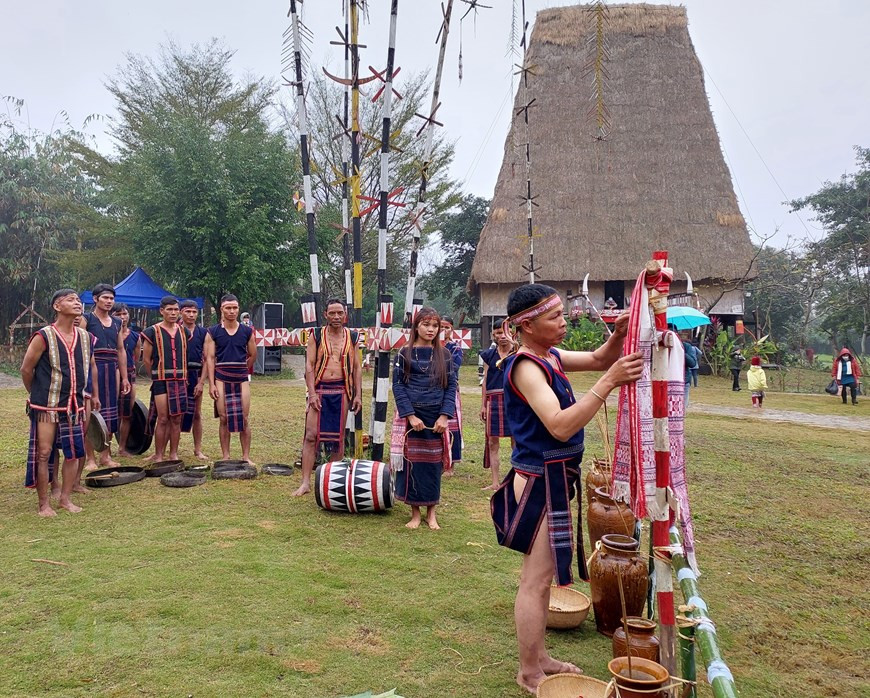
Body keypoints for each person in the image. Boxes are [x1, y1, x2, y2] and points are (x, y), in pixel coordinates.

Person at [488, 284, 642, 694]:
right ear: (527, 326)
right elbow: (559, 425)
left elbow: (596, 359)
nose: (563, 323)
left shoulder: (549, 356)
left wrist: (617, 336)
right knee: (536, 581)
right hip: (539, 481)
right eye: (554, 317)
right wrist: (608, 382)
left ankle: (540, 658)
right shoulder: (525, 367)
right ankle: (529, 671)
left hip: (554, 478)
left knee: (540, 580)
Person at [20, 289, 100, 516]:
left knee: (73, 452)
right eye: (71, 300)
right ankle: (43, 504)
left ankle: (65, 498)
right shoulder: (43, 336)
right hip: (46, 406)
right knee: (44, 453)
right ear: (57, 306)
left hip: (74, 405)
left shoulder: (86, 337)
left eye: (78, 300)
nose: (77, 303)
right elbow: (26, 369)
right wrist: (38, 394)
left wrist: (90, 396)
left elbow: (88, 367)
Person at [390, 307, 457, 530]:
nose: (431, 329)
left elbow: (451, 386)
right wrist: (409, 415)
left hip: (436, 418)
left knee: (433, 465)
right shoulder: (404, 353)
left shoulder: (445, 354)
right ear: (416, 326)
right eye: (426, 325)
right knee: (413, 464)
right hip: (412, 418)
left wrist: (444, 416)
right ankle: (415, 514)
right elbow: (398, 386)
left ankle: (432, 514)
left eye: (435, 326)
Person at [294, 299, 362, 497]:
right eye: (332, 313)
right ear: (325, 314)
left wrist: (358, 394)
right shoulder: (316, 335)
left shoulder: (353, 336)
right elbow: (309, 365)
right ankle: (305, 482)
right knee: (310, 436)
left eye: (340, 313)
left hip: (342, 391)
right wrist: (312, 393)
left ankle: (330, 484)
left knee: (337, 440)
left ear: (345, 314)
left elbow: (357, 367)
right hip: (320, 390)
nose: (336, 317)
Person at [79, 284, 130, 468]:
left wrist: (124, 377)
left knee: (110, 414)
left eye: (111, 298)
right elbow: (81, 348)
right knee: (90, 413)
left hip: (112, 369)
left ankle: (105, 456)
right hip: (92, 369)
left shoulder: (117, 322)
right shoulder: (86, 319)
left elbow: (121, 350)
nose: (109, 302)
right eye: (105, 298)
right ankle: (90, 458)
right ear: (95, 299)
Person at [204, 294, 257, 463]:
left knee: (245, 418)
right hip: (221, 377)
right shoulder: (212, 332)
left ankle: (246, 456)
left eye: (235, 307)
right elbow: (210, 359)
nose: (232, 311)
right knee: (224, 417)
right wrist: (211, 384)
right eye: (228, 308)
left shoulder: (247, 331)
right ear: (222, 309)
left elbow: (253, 355)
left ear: (238, 309)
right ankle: (226, 456)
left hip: (241, 377)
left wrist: (242, 368)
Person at [141, 297, 188, 462]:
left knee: (177, 418)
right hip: (161, 380)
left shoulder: (184, 331)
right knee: (162, 418)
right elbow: (146, 360)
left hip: (180, 379)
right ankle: (159, 454)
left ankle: (173, 453)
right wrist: (155, 376)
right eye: (169, 309)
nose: (173, 313)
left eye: (176, 309)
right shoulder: (151, 331)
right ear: (162, 311)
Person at [479, 320, 515, 490]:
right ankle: (495, 482)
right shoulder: (489, 355)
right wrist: (483, 405)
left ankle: (517, 480)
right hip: (493, 401)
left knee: (517, 442)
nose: (501, 336)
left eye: (504, 332)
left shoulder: (518, 353)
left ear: (512, 333)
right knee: (493, 442)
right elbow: (485, 380)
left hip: (515, 401)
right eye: (498, 333)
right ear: (493, 335)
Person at [179, 300, 209, 459]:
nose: (191, 315)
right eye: (187, 311)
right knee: (175, 414)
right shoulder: (175, 330)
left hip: (196, 373)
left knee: (197, 413)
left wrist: (201, 382)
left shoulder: (204, 333)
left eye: (194, 312)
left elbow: (207, 359)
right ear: (180, 312)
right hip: (178, 376)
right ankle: (172, 451)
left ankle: (198, 450)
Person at [113, 303, 141, 456]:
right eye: (118, 315)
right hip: (110, 374)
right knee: (109, 413)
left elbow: (135, 358)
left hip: (129, 375)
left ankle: (122, 448)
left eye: (125, 314)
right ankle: (105, 448)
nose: (122, 318)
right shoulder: (108, 333)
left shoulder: (136, 336)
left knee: (126, 413)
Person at [440, 315, 463, 469]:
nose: (443, 330)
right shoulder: (429, 346)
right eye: (440, 327)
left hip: (449, 389)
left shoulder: (455, 348)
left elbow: (453, 368)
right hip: (432, 390)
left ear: (451, 329)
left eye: (447, 327)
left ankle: (452, 464)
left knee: (452, 426)